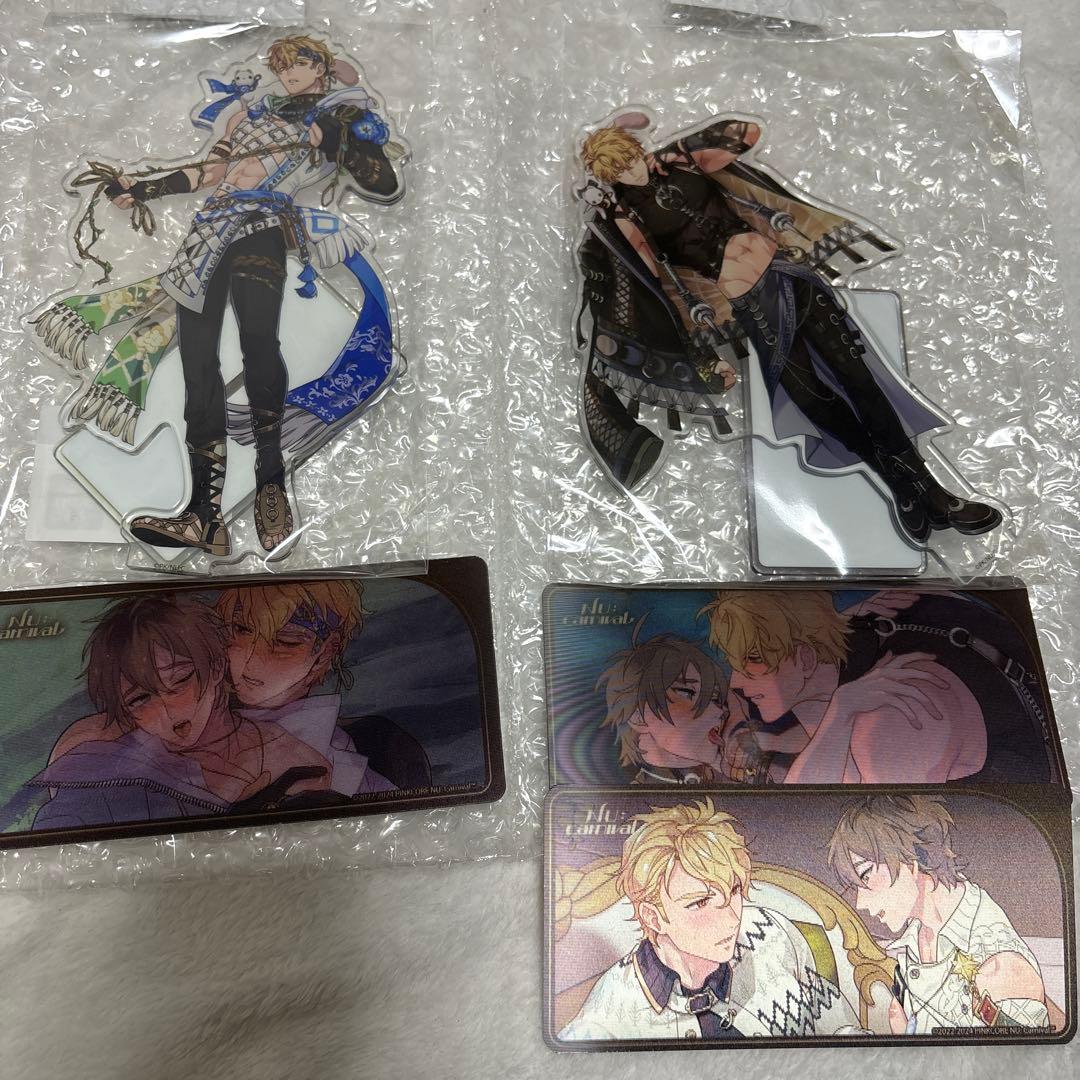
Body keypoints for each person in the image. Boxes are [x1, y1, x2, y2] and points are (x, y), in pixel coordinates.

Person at [34, 35, 404, 556]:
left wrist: (349, 139)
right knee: (198, 364)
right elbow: (210, 172)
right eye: (283, 66)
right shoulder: (251, 115)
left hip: (261, 228)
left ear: (320, 66)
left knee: (259, 346)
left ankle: (271, 484)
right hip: (205, 236)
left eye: (299, 64)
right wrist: (144, 188)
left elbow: (381, 181)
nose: (289, 73)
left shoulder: (334, 116)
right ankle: (204, 516)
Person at [576, 114, 1001, 544]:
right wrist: (700, 355)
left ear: (637, 149)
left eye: (630, 157)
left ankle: (927, 492)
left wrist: (666, 143)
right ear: (610, 178)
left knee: (859, 380)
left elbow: (748, 133)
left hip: (790, 274)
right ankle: (907, 488)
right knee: (810, 399)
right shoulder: (627, 218)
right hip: (749, 303)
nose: (632, 171)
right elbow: (659, 289)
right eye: (619, 170)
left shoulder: (683, 163)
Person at [558, 797, 863, 1040]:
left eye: (734, 891)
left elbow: (841, 1031)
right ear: (653, 917)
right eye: (700, 903)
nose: (731, 918)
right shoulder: (606, 1018)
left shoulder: (770, 931)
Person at [31, 595, 334, 830]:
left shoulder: (294, 760)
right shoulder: (106, 765)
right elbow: (59, 832)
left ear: (216, 667)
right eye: (140, 699)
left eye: (180, 681)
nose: (170, 713)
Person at [828, 795, 1064, 1033]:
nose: (860, 903)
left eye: (866, 875)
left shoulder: (1000, 967)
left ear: (909, 860)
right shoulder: (914, 942)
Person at [700, 589, 988, 783]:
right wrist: (771, 741)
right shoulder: (827, 682)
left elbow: (807, 816)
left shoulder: (889, 711)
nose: (736, 682)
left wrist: (842, 710)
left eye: (752, 661)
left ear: (806, 658)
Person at [215, 579, 428, 793]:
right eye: (241, 629)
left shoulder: (335, 757)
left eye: (286, 642)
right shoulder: (206, 718)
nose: (252, 659)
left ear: (324, 653)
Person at [595, 626, 731, 784]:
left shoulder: (727, 780)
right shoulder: (634, 794)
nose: (721, 711)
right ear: (639, 716)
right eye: (688, 693)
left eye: (714, 698)